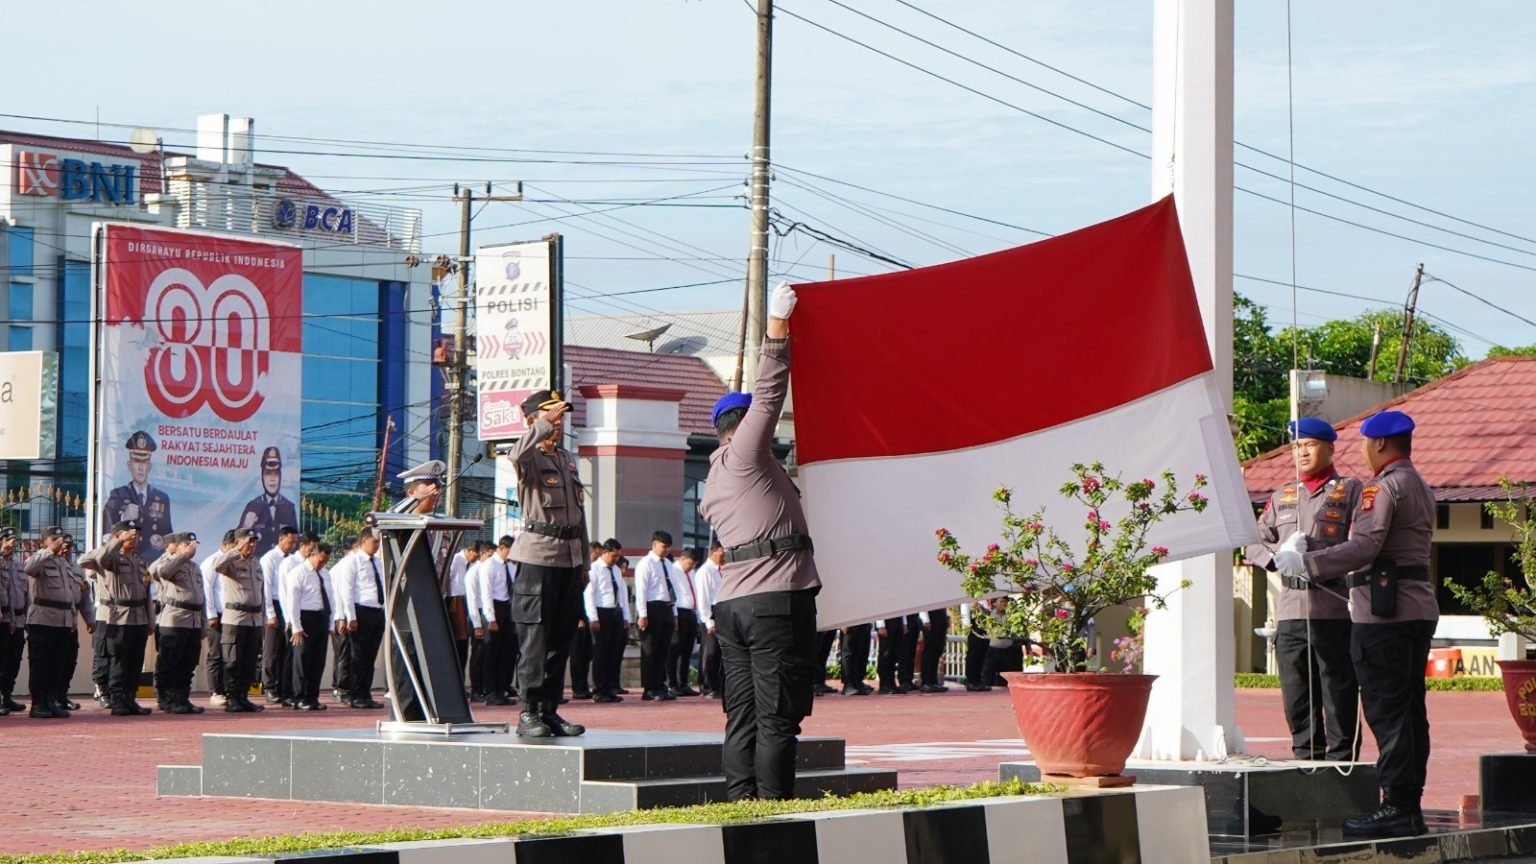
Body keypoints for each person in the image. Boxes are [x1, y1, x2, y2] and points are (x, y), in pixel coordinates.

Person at [1275, 410, 1437, 838]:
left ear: (1379, 444)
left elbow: (1363, 545)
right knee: (1409, 710)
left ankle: (1397, 805)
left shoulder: (1378, 488)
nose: (1364, 452)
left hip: (1385, 614)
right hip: (1417, 607)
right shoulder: (1419, 483)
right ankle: (1409, 803)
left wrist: (1307, 562)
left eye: (1366, 444)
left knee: (1387, 712)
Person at [698, 282, 821, 801]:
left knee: (743, 712)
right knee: (778, 713)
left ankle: (741, 800)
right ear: (742, 425)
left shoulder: (713, 481)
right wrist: (776, 327)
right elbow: (769, 390)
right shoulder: (745, 454)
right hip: (773, 602)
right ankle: (773, 808)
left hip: (735, 607)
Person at [1248, 417, 1362, 762]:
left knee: (1337, 689)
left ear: (1329, 448)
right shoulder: (1282, 496)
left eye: (1310, 445)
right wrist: (1276, 558)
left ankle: (1343, 760)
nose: (1302, 452)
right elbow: (1252, 542)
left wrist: (1314, 560)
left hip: (1333, 607)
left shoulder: (1350, 491)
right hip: (1290, 609)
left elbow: (1361, 544)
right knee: (1296, 692)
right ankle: (1305, 757)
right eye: (1297, 446)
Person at [506, 389, 588, 738]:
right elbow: (515, 453)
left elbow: (579, 516)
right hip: (537, 557)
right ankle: (528, 711)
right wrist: (541, 424)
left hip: (568, 560)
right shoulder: (528, 458)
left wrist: (583, 561)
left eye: (560, 418)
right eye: (553, 417)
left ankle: (549, 710)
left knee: (560, 640)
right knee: (535, 640)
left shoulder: (567, 459)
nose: (558, 424)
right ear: (533, 420)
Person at [79, 520, 154, 716]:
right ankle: (118, 699)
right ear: (118, 536)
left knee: (135, 661)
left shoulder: (139, 560)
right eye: (130, 534)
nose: (134, 537)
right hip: (117, 617)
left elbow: (147, 593)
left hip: (138, 618)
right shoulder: (109, 558)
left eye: (136, 534)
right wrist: (117, 542)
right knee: (118, 661)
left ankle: (130, 698)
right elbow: (90, 559)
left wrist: (150, 620)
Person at [23, 528, 92, 718]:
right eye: (54, 539)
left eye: (61, 540)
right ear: (45, 541)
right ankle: (38, 704)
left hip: (63, 620)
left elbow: (72, 595)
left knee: (57, 664)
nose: (60, 543)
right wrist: (48, 551)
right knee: (40, 664)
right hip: (43, 619)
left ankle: (51, 701)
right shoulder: (41, 559)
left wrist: (72, 617)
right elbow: (28, 568)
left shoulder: (66, 565)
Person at [150, 532, 208, 715]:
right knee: (170, 662)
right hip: (174, 618)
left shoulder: (195, 567)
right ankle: (167, 699)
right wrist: (183, 557)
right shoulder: (167, 563)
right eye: (188, 545)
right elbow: (164, 573)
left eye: (194, 545)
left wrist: (204, 621)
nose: (193, 549)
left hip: (193, 620)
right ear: (178, 545)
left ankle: (182, 698)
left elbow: (201, 596)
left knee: (188, 662)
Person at [282, 542, 340, 711]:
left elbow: (331, 599)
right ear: (312, 555)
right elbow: (292, 602)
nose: (323, 564)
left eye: (326, 561)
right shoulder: (298, 573)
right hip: (305, 618)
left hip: (321, 618)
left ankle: (312, 696)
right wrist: (296, 627)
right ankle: (299, 697)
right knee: (302, 661)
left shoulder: (325, 574)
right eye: (321, 560)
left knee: (318, 661)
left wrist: (330, 624)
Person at [214, 528, 266, 713]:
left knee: (249, 661)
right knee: (233, 661)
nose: (251, 545)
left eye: (253, 541)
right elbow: (216, 565)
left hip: (254, 619)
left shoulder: (256, 564)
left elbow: (262, 593)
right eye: (247, 541)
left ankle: (243, 697)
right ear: (238, 543)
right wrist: (236, 550)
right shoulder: (231, 562)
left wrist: (264, 618)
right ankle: (232, 697)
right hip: (235, 619)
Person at [334, 530, 387, 709]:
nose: (377, 544)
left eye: (378, 542)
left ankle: (366, 693)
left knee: (370, 656)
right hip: (360, 610)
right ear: (363, 541)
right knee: (358, 656)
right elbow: (346, 590)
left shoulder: (378, 562)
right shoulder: (352, 561)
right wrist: (351, 616)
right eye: (374, 541)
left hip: (377, 611)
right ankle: (355, 694)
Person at [102, 431, 174, 560]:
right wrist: (123, 517)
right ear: (129, 465)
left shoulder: (162, 498)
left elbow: (169, 535)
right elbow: (106, 535)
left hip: (152, 563)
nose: (140, 467)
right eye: (136, 461)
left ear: (150, 466)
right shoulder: (117, 495)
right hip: (124, 561)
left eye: (144, 462)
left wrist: (162, 541)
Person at [584, 538, 632, 703]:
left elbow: (622, 595)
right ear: (605, 552)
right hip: (602, 612)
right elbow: (589, 594)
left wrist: (626, 617)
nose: (616, 559)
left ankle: (610, 687)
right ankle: (599, 689)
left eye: (618, 556)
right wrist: (593, 617)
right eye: (613, 556)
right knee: (601, 653)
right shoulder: (594, 569)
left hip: (616, 612)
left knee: (613, 652)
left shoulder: (616, 570)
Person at [633, 530, 679, 701]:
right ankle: (649, 688)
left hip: (666, 607)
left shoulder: (668, 564)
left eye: (668, 547)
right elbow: (641, 590)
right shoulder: (645, 563)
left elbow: (672, 590)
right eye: (663, 546)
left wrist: (674, 614)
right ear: (654, 544)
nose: (666, 550)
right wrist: (642, 614)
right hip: (652, 608)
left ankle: (660, 685)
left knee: (663, 650)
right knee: (650, 650)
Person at [477, 535, 519, 707]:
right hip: (494, 609)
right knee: (491, 653)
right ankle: (491, 692)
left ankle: (501, 690)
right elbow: (486, 593)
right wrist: (491, 618)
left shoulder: (510, 566)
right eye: (510, 550)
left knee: (506, 653)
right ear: (502, 548)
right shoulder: (489, 565)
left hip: (508, 608)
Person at [260, 526, 300, 705]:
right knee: (272, 649)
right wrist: (270, 613)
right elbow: (267, 588)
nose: (292, 545)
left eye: (294, 542)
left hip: (288, 604)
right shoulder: (269, 558)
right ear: (281, 539)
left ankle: (285, 688)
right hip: (274, 605)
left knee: (287, 649)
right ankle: (269, 687)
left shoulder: (293, 560)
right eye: (290, 541)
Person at [236, 447, 299, 556]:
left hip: (281, 561)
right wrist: (246, 526)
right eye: (268, 473)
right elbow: (236, 542)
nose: (272, 479)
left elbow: (295, 542)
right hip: (256, 563)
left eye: (276, 473)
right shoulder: (253, 506)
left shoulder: (288, 506)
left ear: (281, 475)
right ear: (262, 475)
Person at [201, 530, 235, 708]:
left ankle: (230, 690)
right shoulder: (212, 561)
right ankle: (216, 691)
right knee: (216, 654)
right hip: (217, 615)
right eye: (235, 545)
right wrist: (211, 614)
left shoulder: (236, 561)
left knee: (231, 654)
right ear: (227, 544)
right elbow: (207, 590)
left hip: (232, 615)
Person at [568, 541, 605, 701]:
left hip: (586, 614)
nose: (594, 559)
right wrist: (577, 618)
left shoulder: (587, 573)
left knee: (587, 653)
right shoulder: (573, 572)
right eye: (593, 556)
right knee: (576, 654)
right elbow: (571, 596)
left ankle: (583, 685)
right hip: (575, 615)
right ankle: (577, 687)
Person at [0, 528, 28, 713]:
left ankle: (7, 695)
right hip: (3, 618)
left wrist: (27, 618)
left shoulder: (18, 565)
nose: (12, 544)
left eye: (14, 541)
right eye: (8, 540)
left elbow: (26, 593)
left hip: (18, 619)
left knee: (13, 659)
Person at [669, 545, 702, 697]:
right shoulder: (673, 570)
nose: (692, 566)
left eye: (694, 564)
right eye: (690, 563)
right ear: (682, 559)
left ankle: (683, 683)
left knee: (687, 651)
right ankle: (672, 684)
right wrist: (674, 615)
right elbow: (671, 595)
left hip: (691, 613)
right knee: (675, 650)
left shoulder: (693, 572)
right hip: (679, 612)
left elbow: (696, 593)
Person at [694, 543, 724, 698]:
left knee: (719, 651)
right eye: (721, 551)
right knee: (709, 651)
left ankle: (716, 683)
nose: (724, 555)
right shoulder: (704, 572)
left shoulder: (721, 570)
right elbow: (703, 598)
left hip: (721, 610)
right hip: (710, 612)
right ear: (713, 551)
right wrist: (708, 620)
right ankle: (707, 685)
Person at [465, 542, 489, 701]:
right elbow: (472, 599)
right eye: (489, 555)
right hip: (477, 614)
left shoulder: (489, 570)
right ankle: (476, 689)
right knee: (478, 654)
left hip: (487, 612)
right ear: (482, 554)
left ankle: (485, 687)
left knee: (487, 654)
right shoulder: (474, 572)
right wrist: (477, 625)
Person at [916, 608, 951, 693]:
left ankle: (933, 681)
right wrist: (925, 619)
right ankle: (926, 682)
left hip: (941, 615)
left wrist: (947, 616)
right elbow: (924, 602)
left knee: (937, 649)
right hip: (930, 617)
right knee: (930, 649)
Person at [960, 603, 991, 691]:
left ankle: (978, 679)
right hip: (974, 619)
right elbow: (965, 604)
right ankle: (971, 681)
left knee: (982, 651)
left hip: (986, 617)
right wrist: (966, 624)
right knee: (974, 652)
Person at [839, 623, 874, 696]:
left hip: (862, 621)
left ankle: (855, 683)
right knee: (848, 653)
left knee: (858, 653)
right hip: (849, 620)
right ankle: (848, 684)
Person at [876, 615, 908, 694]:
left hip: (897, 620)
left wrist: (904, 623)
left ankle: (891, 683)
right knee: (886, 654)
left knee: (894, 655)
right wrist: (881, 625)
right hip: (887, 622)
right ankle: (884, 684)